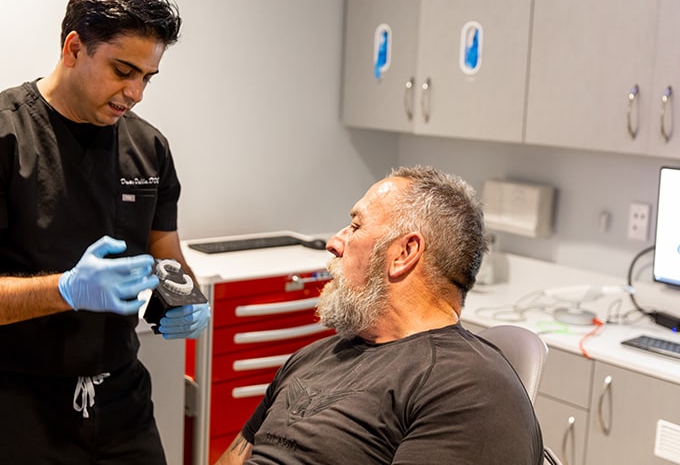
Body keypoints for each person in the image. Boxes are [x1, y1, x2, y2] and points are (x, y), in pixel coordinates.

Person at [0, 0, 210, 465]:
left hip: (122, 400)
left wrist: (183, 298)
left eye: (147, 77)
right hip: (18, 406)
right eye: (123, 71)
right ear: (74, 48)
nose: (136, 92)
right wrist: (65, 290)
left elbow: (166, 256)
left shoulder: (148, 146)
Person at [215, 165, 543, 465]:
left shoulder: (471, 388)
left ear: (404, 253)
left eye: (355, 226)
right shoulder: (314, 356)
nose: (333, 243)